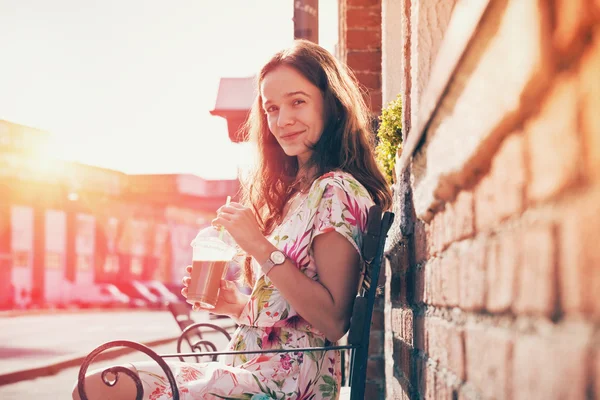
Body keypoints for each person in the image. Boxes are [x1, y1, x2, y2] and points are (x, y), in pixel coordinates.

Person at [73, 39, 392, 400]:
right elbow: (291, 318)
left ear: (331, 104)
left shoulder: (337, 191)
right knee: (98, 382)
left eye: (297, 101)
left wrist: (257, 244)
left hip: (284, 386)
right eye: (271, 108)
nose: (282, 120)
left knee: (104, 386)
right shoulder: (296, 195)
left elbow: (332, 321)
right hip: (247, 368)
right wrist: (237, 306)